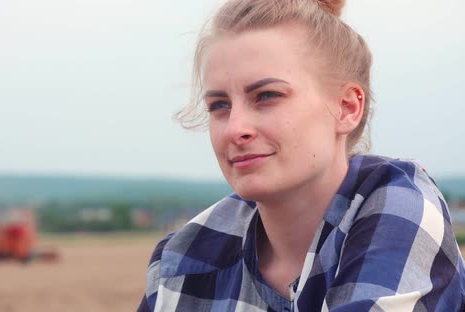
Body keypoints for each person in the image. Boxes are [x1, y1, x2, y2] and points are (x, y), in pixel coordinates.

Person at [138, 0, 465, 311]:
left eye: (267, 96)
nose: (234, 128)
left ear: (347, 108)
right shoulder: (184, 257)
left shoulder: (399, 205)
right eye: (219, 105)